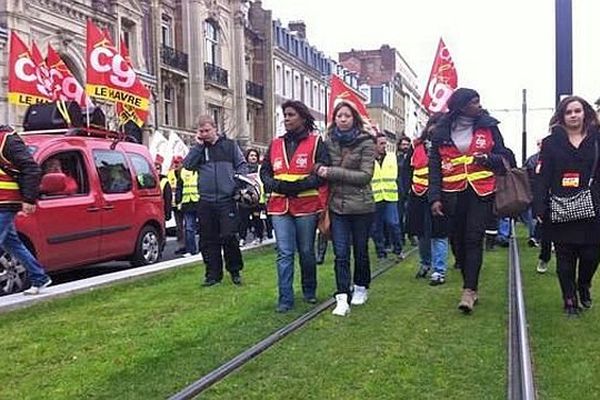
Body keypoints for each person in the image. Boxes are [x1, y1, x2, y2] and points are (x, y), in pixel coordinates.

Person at [429, 88, 512, 314]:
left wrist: (488, 158)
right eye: (474, 102)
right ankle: (469, 281)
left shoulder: (489, 126)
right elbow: (434, 167)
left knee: (473, 237)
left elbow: (506, 157)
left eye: (479, 101)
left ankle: (469, 289)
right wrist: (434, 197)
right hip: (452, 193)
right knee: (457, 240)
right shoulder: (441, 131)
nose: (479, 105)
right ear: (461, 105)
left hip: (481, 191)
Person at [534, 96, 600, 316]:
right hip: (561, 206)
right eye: (568, 112)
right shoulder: (551, 143)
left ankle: (584, 285)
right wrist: (540, 207)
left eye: (577, 111)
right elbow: (543, 176)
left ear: (585, 113)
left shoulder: (597, 138)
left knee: (591, 255)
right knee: (565, 258)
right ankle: (569, 299)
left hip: (594, 206)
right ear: (562, 117)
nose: (573, 115)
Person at [261, 100, 329, 312]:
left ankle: (309, 290)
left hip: (306, 205)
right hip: (279, 205)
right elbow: (265, 171)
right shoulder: (274, 144)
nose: (287, 119)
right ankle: (285, 298)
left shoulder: (317, 143)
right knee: (284, 252)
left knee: (306, 251)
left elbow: (322, 173)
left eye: (291, 114)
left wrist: (299, 185)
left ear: (302, 117)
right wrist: (274, 184)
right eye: (285, 115)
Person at [316, 100, 375, 316]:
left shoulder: (366, 142)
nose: (342, 119)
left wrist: (331, 172)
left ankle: (361, 286)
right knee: (340, 253)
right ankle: (342, 295)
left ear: (354, 118)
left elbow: (365, 176)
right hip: (337, 206)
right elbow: (318, 163)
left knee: (360, 250)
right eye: (339, 115)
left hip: (362, 207)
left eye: (347, 116)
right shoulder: (328, 140)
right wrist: (318, 168)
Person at [183, 115, 247, 286]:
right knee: (208, 239)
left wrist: (237, 183)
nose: (204, 134)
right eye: (201, 131)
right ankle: (212, 274)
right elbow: (187, 165)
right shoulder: (199, 149)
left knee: (228, 236)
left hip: (227, 199)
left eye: (207, 130)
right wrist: (198, 145)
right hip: (206, 200)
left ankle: (234, 270)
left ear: (215, 129)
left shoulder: (230, 146)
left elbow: (241, 164)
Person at [0, 125, 52, 294]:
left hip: (6, 202)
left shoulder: (7, 140)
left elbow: (32, 168)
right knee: (12, 244)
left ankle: (39, 277)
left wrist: (29, 198)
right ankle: (40, 277)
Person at [406, 112, 450, 286]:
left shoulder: (447, 146)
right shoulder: (415, 146)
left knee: (439, 233)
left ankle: (439, 270)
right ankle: (425, 263)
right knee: (422, 233)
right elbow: (407, 171)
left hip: (440, 195)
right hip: (418, 195)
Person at [371, 134, 404, 262]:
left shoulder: (391, 157)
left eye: (385, 143)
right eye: (381, 143)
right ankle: (381, 252)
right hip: (376, 197)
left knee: (393, 223)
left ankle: (398, 249)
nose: (384, 146)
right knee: (376, 227)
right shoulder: (368, 159)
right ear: (374, 145)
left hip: (391, 196)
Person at [526, 139, 552, 273]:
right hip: (547, 200)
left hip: (564, 196)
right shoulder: (537, 160)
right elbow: (538, 183)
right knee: (546, 230)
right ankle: (544, 258)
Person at [239, 148, 264, 245]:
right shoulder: (243, 169)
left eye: (255, 156)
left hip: (257, 198)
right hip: (244, 198)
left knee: (257, 218)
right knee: (243, 219)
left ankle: (258, 236)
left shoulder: (260, 168)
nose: (253, 157)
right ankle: (242, 238)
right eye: (251, 155)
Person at [168, 156, 185, 254]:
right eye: (175, 163)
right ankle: (181, 245)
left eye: (178, 163)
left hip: (185, 203)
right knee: (179, 227)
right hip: (175, 204)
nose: (176, 165)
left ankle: (190, 245)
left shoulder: (185, 173)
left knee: (188, 227)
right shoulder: (170, 174)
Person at [154, 155, 173, 225]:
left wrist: (168, 214)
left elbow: (168, 198)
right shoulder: (149, 180)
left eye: (158, 168)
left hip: (161, 212)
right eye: (155, 168)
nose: (156, 170)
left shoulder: (165, 182)